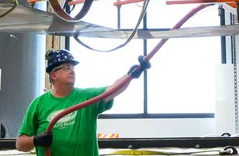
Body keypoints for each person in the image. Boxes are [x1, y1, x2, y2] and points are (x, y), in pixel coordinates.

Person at [16, 48, 148, 156]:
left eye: (73, 67)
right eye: (66, 67)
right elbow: (20, 144)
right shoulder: (38, 104)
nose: (72, 70)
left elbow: (113, 90)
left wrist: (131, 75)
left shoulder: (87, 97)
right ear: (54, 75)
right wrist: (36, 140)